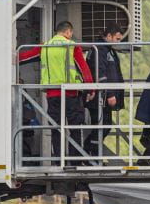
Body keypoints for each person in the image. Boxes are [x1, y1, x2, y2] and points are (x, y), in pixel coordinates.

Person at [19, 21, 94, 164]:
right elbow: (84, 69)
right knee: (75, 129)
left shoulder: (45, 47)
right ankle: (75, 162)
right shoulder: (72, 46)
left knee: (56, 129)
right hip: (71, 94)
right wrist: (91, 89)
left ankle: (59, 161)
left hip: (53, 95)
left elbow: (23, 57)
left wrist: (11, 55)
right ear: (68, 32)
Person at [85, 23, 126, 157]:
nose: (118, 42)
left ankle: (91, 153)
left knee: (104, 125)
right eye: (117, 39)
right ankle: (90, 153)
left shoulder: (107, 49)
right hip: (99, 97)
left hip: (103, 96)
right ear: (109, 36)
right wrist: (110, 94)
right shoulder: (100, 49)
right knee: (102, 125)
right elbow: (100, 73)